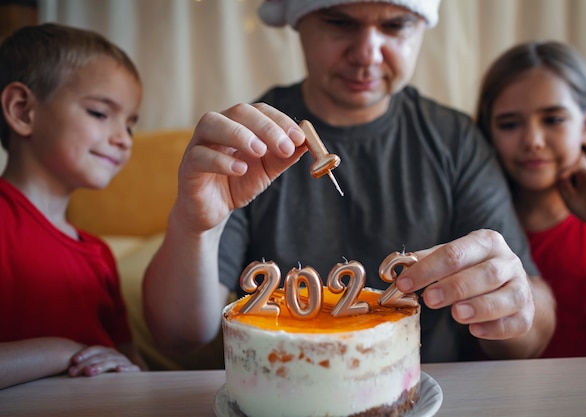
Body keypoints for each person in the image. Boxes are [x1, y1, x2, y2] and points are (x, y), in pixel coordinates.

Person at [143, 0, 556, 363]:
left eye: (395, 26)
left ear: (421, 29)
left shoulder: (456, 140)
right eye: (339, 23)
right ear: (299, 22)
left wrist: (513, 306)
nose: (366, 54)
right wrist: (194, 224)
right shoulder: (248, 147)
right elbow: (178, 337)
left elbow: (531, 333)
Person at [0, 23, 146, 389]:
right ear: (22, 110)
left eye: (130, 125)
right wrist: (64, 353)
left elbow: (132, 365)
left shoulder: (99, 255)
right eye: (100, 113)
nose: (124, 140)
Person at [475, 40, 586, 357]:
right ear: (488, 133)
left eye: (553, 119)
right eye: (510, 124)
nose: (533, 141)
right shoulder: (479, 224)